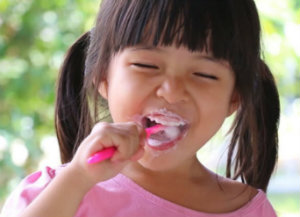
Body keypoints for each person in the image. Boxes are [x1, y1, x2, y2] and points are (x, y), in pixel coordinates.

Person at [1, 0, 280, 216]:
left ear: (234, 98)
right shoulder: (55, 196)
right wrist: (78, 179)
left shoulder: (251, 210)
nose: (171, 92)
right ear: (103, 77)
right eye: (146, 65)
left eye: (205, 74)